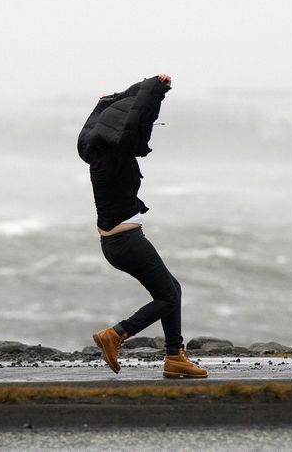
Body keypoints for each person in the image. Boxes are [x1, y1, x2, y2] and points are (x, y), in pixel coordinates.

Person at [77, 73, 207, 378]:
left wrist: (114, 99)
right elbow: (138, 122)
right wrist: (157, 89)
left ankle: (175, 357)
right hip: (127, 243)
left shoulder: (96, 153)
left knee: (171, 289)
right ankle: (115, 334)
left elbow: (114, 113)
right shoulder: (116, 154)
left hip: (116, 243)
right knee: (168, 296)